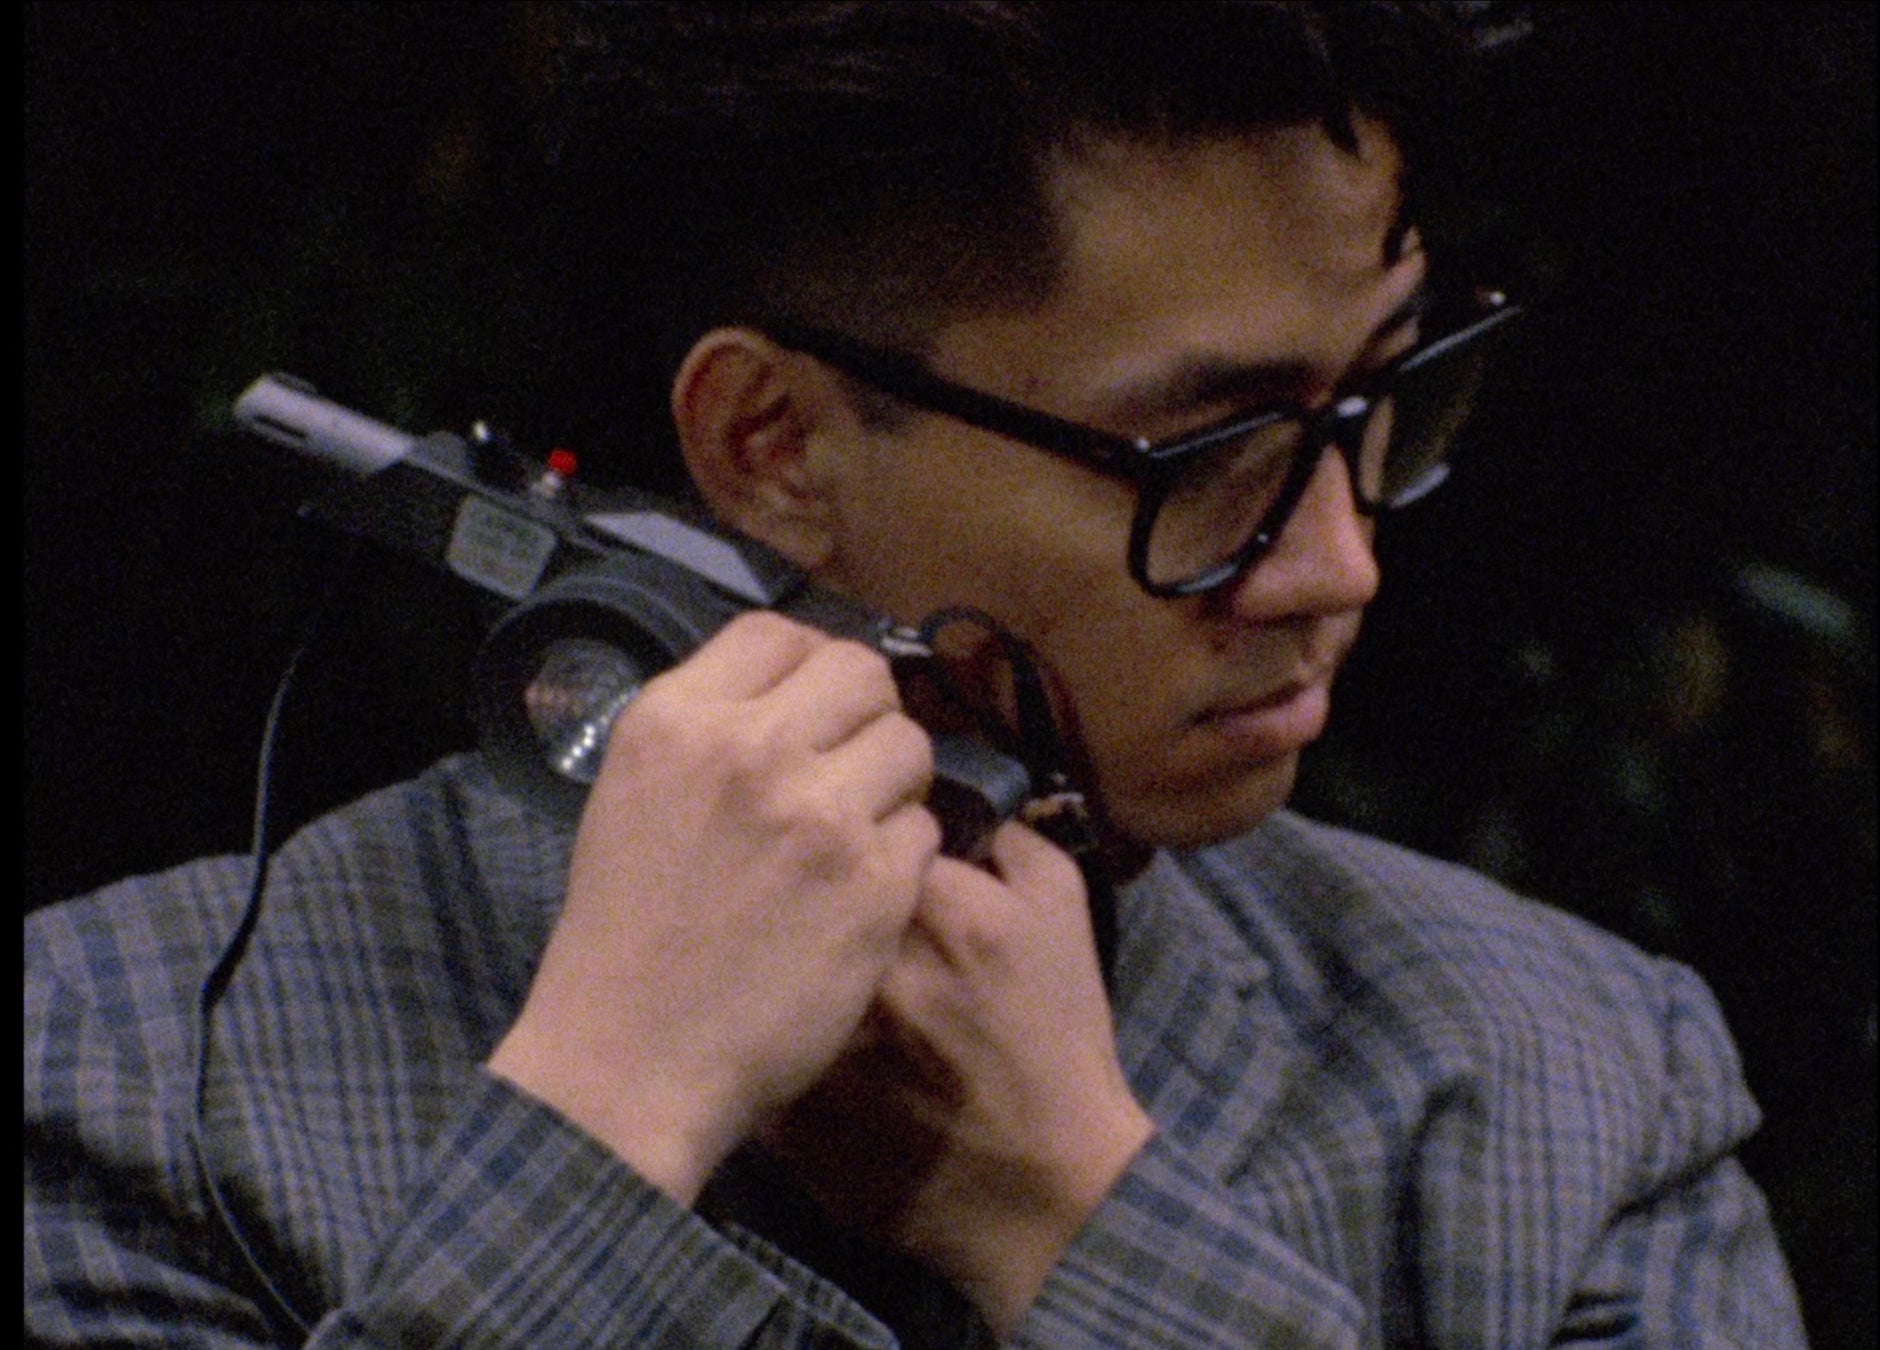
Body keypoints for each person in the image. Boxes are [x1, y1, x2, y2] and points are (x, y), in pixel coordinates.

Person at [24, 3, 1809, 1346]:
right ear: (774, 441)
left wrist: (1073, 1216)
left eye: (1380, 400)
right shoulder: (115, 1075)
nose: (1341, 563)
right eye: (1210, 457)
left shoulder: (1572, 1077)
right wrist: (609, 1118)